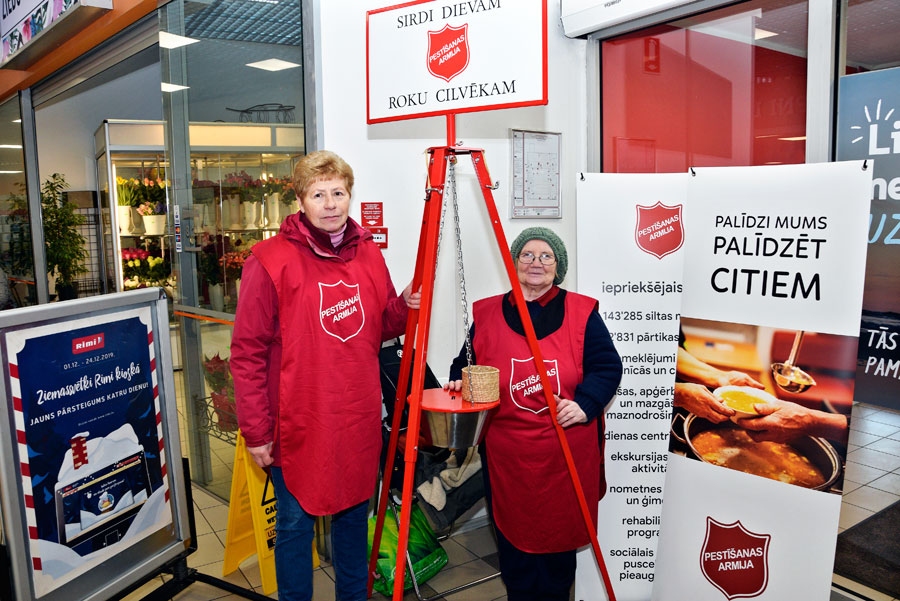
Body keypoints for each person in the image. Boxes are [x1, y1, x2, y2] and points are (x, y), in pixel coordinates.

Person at [230, 150, 420, 601]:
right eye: (319, 194)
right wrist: (257, 431)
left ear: (349, 196)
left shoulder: (368, 253)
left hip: (355, 417)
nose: (331, 203)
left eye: (338, 192)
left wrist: (405, 304)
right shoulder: (269, 260)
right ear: (300, 200)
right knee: (296, 528)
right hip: (298, 424)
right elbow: (247, 352)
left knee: (354, 522)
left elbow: (382, 325)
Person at [444, 227, 622, 601]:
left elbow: (607, 366)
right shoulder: (489, 312)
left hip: (565, 453)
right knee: (516, 554)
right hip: (510, 457)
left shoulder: (582, 312)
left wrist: (586, 404)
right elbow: (466, 363)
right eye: (527, 254)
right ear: (514, 263)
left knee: (557, 559)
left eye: (546, 256)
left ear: (558, 268)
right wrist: (460, 380)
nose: (536, 263)